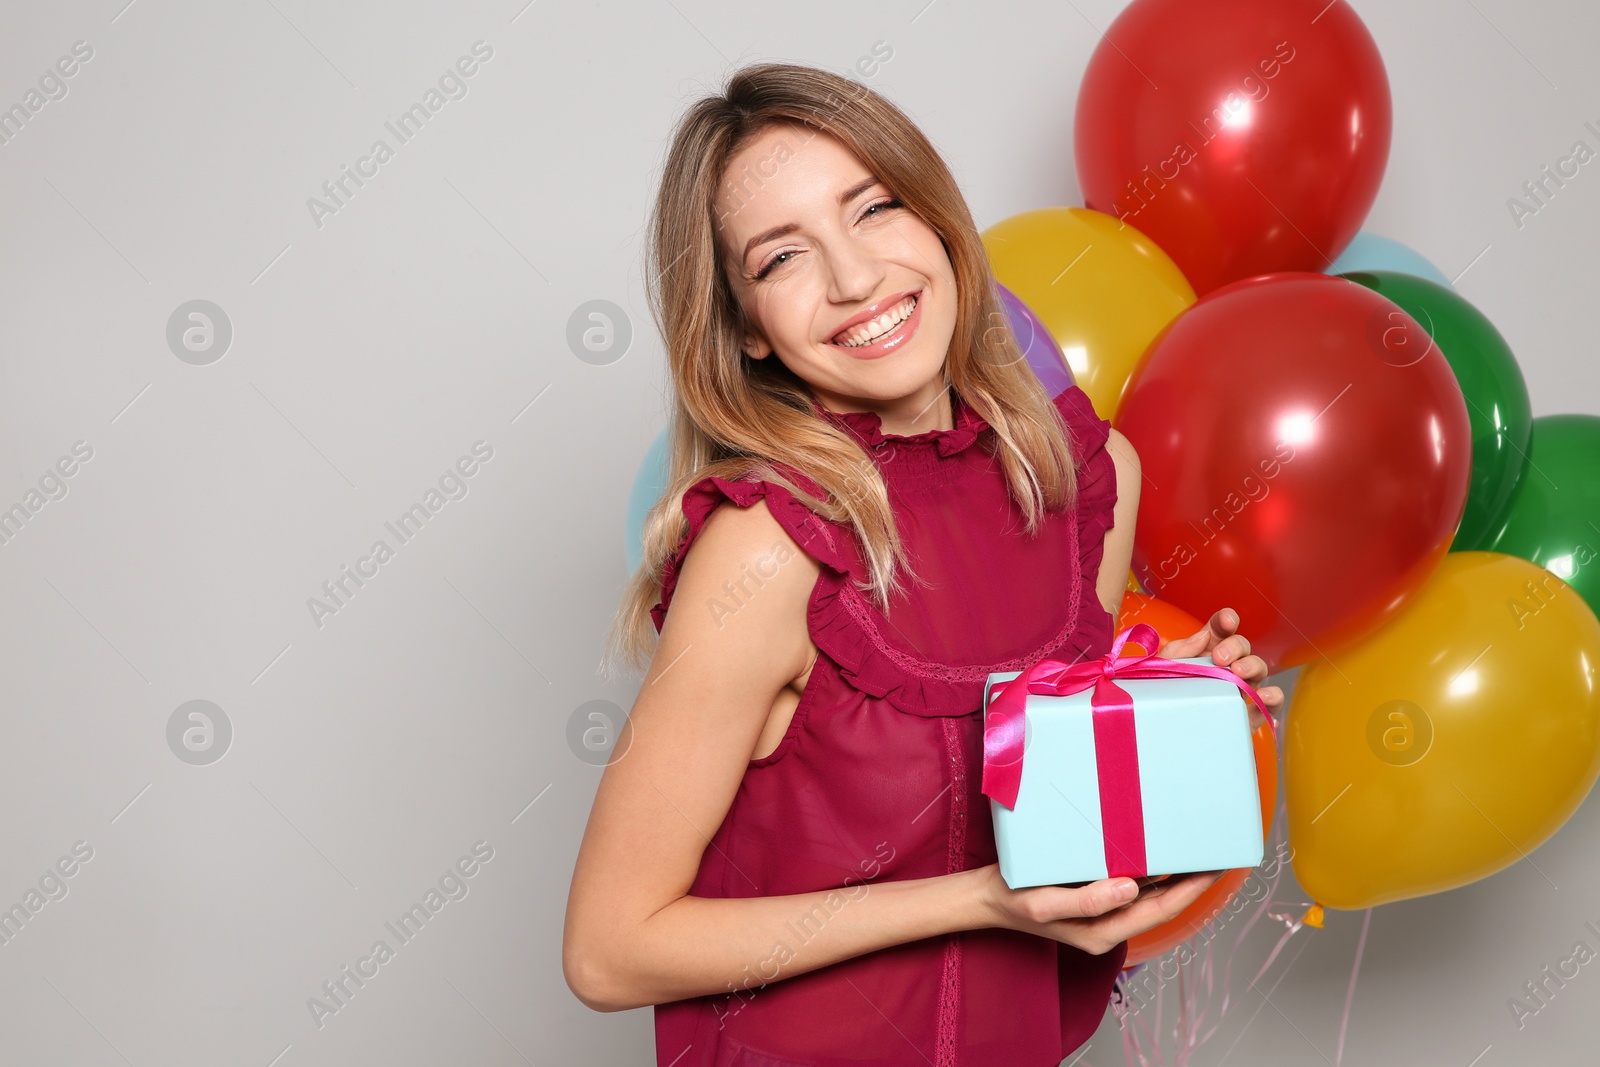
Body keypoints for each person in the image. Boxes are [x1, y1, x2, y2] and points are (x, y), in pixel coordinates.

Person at [564, 61, 1283, 1066]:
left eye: (875, 209)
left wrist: (1163, 713)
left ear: (939, 221)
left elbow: (1039, 825)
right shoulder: (768, 546)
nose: (854, 277)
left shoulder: (1082, 479)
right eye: (781, 258)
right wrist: (980, 902)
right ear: (745, 332)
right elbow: (609, 948)